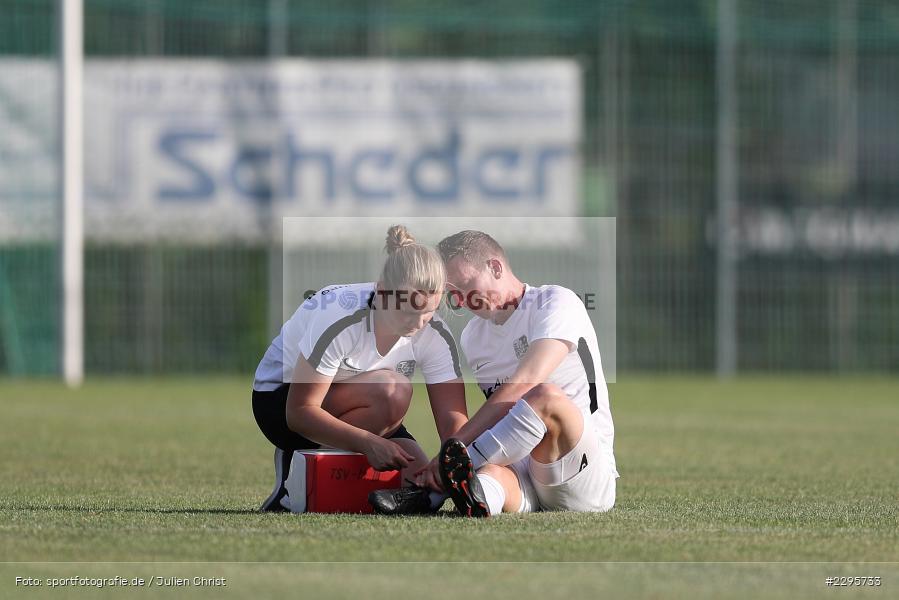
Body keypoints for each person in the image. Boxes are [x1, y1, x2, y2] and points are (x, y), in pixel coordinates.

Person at [252, 225, 468, 512]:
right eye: (407, 312)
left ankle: (319, 477)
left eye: (429, 312)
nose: (418, 324)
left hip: (364, 405)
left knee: (422, 488)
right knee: (393, 390)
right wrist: (367, 443)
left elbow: (454, 425)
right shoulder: (339, 316)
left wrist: (446, 466)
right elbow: (299, 411)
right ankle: (293, 471)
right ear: (382, 292)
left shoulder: (435, 333)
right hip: (282, 404)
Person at [415, 229, 618, 517]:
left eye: (466, 286)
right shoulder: (472, 336)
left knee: (544, 397)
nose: (460, 302)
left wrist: (454, 449)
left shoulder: (556, 302)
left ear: (495, 267)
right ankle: (473, 498)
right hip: (527, 473)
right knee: (490, 477)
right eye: (453, 294)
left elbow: (524, 384)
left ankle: (436, 490)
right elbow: (502, 417)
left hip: (582, 473)